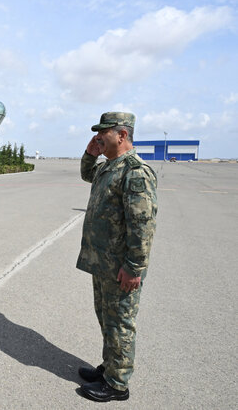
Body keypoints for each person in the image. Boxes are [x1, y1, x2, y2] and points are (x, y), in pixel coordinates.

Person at [76, 112, 157, 402]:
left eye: (104, 133)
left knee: (120, 323)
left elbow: (142, 224)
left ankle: (117, 385)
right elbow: (87, 173)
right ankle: (110, 367)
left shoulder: (135, 171)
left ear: (122, 135)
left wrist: (134, 267)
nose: (99, 136)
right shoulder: (109, 166)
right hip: (103, 264)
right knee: (106, 318)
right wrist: (90, 152)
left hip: (121, 269)